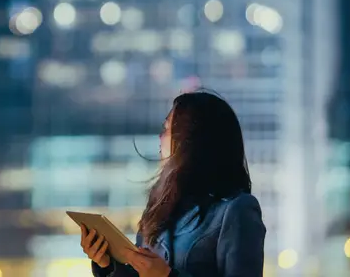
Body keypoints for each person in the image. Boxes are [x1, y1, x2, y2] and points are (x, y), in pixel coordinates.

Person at [80, 90, 266, 277]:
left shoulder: (236, 209)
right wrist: (107, 264)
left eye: (168, 129)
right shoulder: (160, 206)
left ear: (192, 140)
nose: (160, 138)